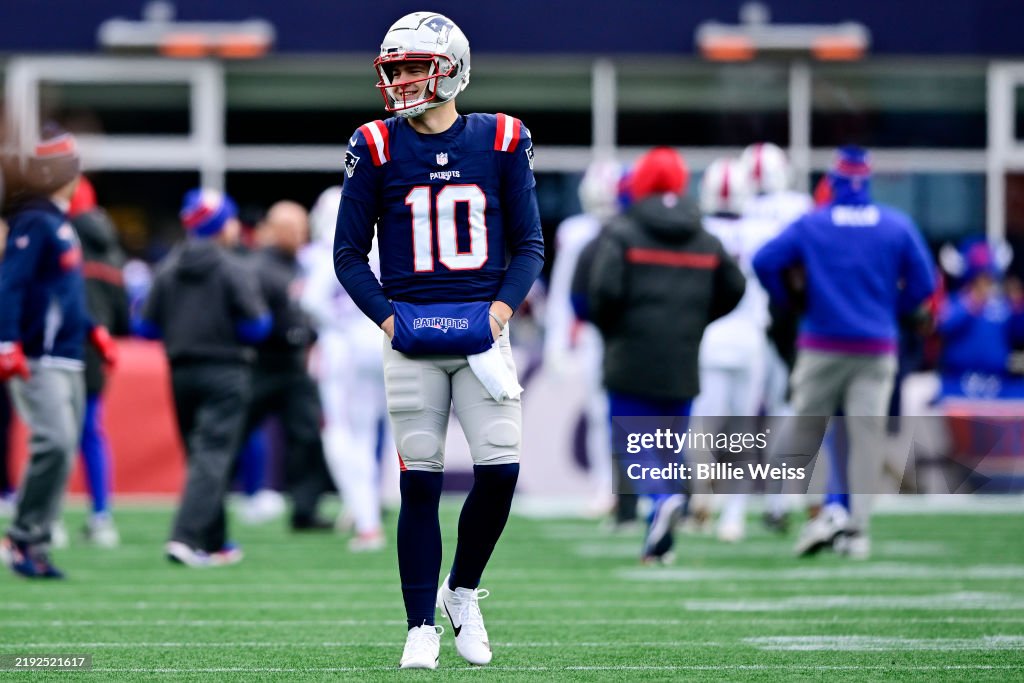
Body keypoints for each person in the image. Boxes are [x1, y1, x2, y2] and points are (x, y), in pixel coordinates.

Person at [333, 11, 544, 669]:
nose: (399, 81)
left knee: (501, 471)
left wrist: (502, 312)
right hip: (410, 334)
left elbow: (530, 243)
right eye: (393, 69)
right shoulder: (375, 145)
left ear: (451, 67)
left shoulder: (503, 138)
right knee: (419, 481)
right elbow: (347, 254)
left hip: (483, 334)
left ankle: (462, 589)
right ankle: (420, 623)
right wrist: (390, 320)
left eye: (412, 66)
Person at [753, 146, 936, 560]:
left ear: (833, 182)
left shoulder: (812, 224)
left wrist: (793, 300)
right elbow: (924, 286)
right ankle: (858, 531)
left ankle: (820, 511)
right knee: (864, 438)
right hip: (875, 346)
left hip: (821, 343)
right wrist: (892, 311)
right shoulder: (895, 225)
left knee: (806, 429)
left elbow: (765, 262)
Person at [585, 146, 746, 564]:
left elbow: (602, 292)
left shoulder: (622, 230)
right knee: (670, 446)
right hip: (682, 354)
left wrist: (616, 329)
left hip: (631, 354)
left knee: (631, 440)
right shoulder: (703, 234)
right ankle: (662, 541)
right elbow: (735, 287)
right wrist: (696, 318)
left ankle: (660, 502)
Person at [0, 130, 117, 578]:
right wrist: (7, 342)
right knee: (54, 442)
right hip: (40, 354)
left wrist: (93, 331)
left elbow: (64, 294)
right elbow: (12, 283)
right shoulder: (34, 220)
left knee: (64, 448)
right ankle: (24, 536)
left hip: (67, 353)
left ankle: (37, 541)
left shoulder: (61, 221)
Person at [137, 188, 270, 567]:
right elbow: (257, 326)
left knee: (201, 456)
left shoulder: (168, 266)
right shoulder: (232, 267)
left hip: (180, 371)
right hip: (226, 370)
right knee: (212, 456)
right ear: (219, 225)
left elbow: (144, 325)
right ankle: (185, 537)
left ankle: (214, 542)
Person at [691, 158, 777, 543]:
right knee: (743, 434)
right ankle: (734, 514)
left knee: (701, 432)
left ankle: (699, 503)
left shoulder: (700, 230)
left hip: (708, 338)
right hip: (750, 339)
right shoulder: (766, 231)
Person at [302, 186, 388, 551]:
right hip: (379, 340)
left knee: (340, 433)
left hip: (345, 348)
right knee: (368, 436)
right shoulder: (384, 247)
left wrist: (336, 328)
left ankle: (365, 517)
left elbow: (311, 300)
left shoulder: (327, 253)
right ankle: (367, 510)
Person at [244, 200, 333, 531]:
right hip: (261, 365)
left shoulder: (303, 265)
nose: (300, 235)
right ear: (274, 230)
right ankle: (206, 509)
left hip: (294, 367)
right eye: (292, 229)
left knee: (307, 435)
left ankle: (305, 508)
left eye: (302, 229)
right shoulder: (257, 268)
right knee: (233, 435)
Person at [543, 159, 622, 519]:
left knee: (627, 414)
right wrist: (557, 342)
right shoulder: (577, 232)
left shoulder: (628, 229)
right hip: (597, 332)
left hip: (621, 333)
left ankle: (627, 489)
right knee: (600, 413)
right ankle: (607, 485)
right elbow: (562, 293)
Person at [67, 176, 129, 547]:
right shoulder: (109, 247)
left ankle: (49, 516)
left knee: (51, 433)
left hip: (59, 342)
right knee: (90, 429)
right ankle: (101, 513)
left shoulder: (55, 235)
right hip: (98, 345)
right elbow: (123, 313)